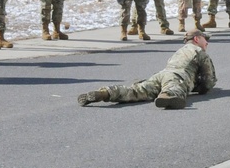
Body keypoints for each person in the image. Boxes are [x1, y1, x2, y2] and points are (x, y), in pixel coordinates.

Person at [77, 28, 217, 109]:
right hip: (178, 76)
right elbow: (208, 81)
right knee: (175, 89)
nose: (208, 43)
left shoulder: (179, 51)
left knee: (136, 91)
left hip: (161, 74)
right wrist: (200, 87)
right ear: (197, 39)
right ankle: (167, 96)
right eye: (206, 39)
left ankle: (106, 93)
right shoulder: (199, 52)